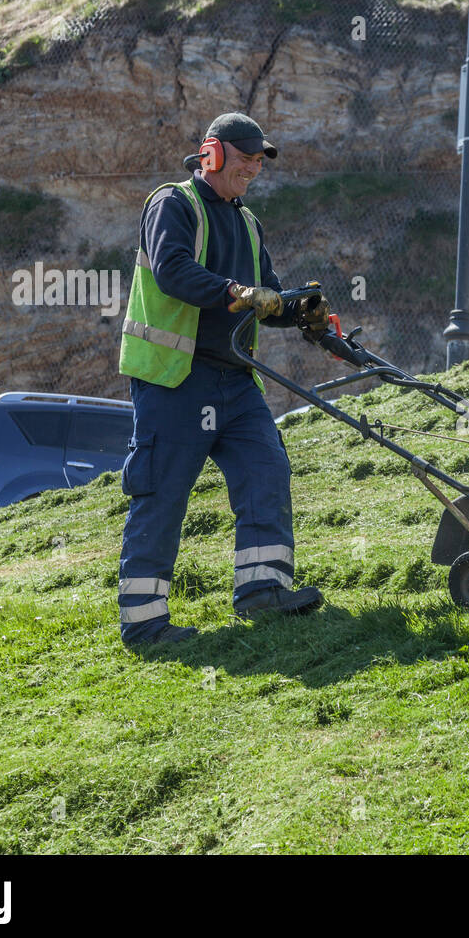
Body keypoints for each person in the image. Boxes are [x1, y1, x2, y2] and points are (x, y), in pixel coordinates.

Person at [116, 112, 326, 646]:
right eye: (247, 157)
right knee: (163, 492)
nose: (255, 168)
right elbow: (173, 270)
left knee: (266, 470)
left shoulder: (248, 223)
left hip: (235, 381)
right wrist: (238, 290)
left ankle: (263, 592)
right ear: (211, 155)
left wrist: (299, 308)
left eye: (260, 160)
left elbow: (268, 296)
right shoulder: (173, 205)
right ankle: (144, 624)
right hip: (175, 380)